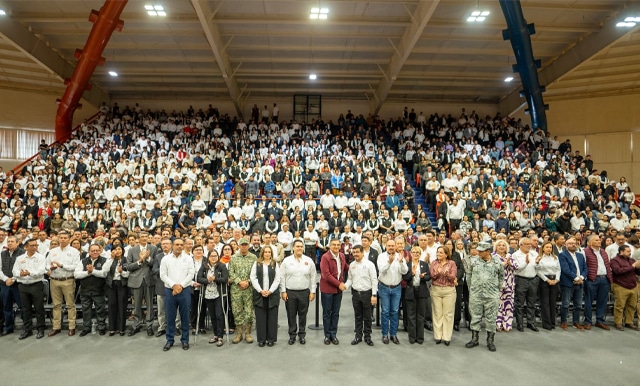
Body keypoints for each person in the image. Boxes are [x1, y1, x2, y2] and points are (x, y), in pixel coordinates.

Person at [465, 242, 503, 352]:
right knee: (475, 316)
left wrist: (497, 288)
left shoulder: (497, 262)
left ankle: (490, 341)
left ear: (488, 251)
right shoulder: (474, 261)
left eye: (481, 251)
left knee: (491, 318)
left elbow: (501, 275)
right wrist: (471, 288)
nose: (478, 252)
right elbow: (469, 275)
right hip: (476, 294)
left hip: (491, 295)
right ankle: (474, 339)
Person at [160, 238, 194, 351]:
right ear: (172, 246)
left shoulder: (188, 259)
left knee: (185, 317)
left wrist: (181, 286)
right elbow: (163, 275)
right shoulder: (165, 259)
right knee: (170, 317)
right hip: (170, 291)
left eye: (181, 245)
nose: (179, 246)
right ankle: (169, 340)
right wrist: (174, 285)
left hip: (184, 291)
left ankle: (185, 340)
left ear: (183, 246)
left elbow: (191, 274)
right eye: (177, 244)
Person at [280, 239, 316, 345]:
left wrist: (313, 291)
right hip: (290, 292)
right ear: (293, 248)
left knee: (303, 315)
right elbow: (282, 276)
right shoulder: (286, 261)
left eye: (301, 246)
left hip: (304, 292)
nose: (299, 248)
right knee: (291, 315)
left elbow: (313, 277)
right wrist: (283, 291)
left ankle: (302, 335)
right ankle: (292, 335)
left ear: (303, 248)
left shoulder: (309, 261)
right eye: (297, 246)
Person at [46, 230, 81, 336]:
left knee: (70, 305)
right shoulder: (52, 251)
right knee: (56, 305)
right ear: (58, 238)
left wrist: (62, 265)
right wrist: (50, 268)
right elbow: (46, 265)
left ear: (69, 239)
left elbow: (76, 266)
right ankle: (56, 327)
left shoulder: (74, 252)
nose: (63, 239)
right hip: (54, 280)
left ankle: (72, 327)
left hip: (68, 280)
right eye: (61, 238)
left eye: (65, 238)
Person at [12, 238, 46, 339]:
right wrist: (20, 273)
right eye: (32, 245)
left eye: (36, 245)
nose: (34, 247)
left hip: (36, 285)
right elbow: (14, 271)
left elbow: (41, 271)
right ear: (26, 247)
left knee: (39, 308)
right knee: (25, 308)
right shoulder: (20, 258)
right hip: (23, 286)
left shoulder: (40, 257)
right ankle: (27, 329)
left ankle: (40, 328)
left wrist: (29, 273)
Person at [124, 232, 157, 336]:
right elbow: (128, 266)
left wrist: (147, 258)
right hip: (136, 280)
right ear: (138, 238)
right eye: (142, 237)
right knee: (136, 305)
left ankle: (149, 326)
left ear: (148, 238)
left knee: (150, 305)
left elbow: (155, 265)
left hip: (149, 279)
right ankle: (136, 325)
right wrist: (140, 261)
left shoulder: (153, 249)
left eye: (145, 237)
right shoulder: (132, 250)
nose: (144, 238)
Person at [344, 244, 377, 346]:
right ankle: (358, 336)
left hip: (367, 294)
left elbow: (374, 280)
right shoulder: (352, 265)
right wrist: (344, 286)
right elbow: (350, 279)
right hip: (356, 294)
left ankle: (368, 337)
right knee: (358, 316)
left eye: (358, 252)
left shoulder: (369, 264)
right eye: (354, 252)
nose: (355, 254)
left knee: (367, 317)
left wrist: (374, 295)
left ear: (362, 252)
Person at [74, 243, 109, 336]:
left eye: (97, 250)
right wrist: (88, 272)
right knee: (86, 310)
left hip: (99, 289)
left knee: (100, 310)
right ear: (89, 252)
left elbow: (104, 274)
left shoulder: (105, 260)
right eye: (93, 251)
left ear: (100, 251)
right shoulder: (83, 261)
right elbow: (76, 275)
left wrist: (92, 271)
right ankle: (86, 328)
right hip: (85, 290)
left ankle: (101, 327)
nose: (95, 252)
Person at [377, 239, 407, 344]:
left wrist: (402, 261)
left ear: (395, 246)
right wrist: (389, 262)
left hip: (396, 288)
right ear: (385, 246)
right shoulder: (381, 257)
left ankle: (393, 334)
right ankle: (385, 334)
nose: (390, 247)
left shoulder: (400, 256)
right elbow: (382, 270)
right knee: (385, 311)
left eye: (392, 245)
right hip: (384, 287)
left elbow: (405, 271)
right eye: (388, 245)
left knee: (395, 311)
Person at [250, 246, 281, 347]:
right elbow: (253, 277)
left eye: (269, 252)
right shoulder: (257, 263)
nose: (267, 254)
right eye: (265, 252)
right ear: (262, 253)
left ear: (271, 253)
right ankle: (261, 339)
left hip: (272, 295)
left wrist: (270, 291)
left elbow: (277, 279)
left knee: (272, 317)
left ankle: (271, 339)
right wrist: (260, 290)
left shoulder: (275, 264)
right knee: (260, 317)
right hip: (260, 295)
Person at [228, 237, 257, 344]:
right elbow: (231, 272)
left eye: (246, 245)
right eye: (242, 245)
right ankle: (239, 333)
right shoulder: (233, 258)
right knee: (237, 311)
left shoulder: (253, 257)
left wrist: (248, 282)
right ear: (239, 246)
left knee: (249, 311)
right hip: (236, 289)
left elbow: (255, 272)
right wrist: (239, 282)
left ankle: (248, 333)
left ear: (248, 246)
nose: (244, 246)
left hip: (249, 289)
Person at [320, 238, 348, 345]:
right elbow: (326, 275)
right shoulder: (325, 257)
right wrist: (339, 284)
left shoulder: (341, 256)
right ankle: (327, 336)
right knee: (327, 313)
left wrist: (356, 268)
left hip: (338, 290)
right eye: (334, 245)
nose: (336, 247)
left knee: (335, 313)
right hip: (327, 290)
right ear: (330, 246)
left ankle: (333, 334)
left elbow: (346, 267)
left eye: (338, 245)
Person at [197, 249, 228, 346]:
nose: (213, 258)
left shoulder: (222, 266)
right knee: (213, 316)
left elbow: (225, 279)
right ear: (208, 257)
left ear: (218, 257)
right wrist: (207, 280)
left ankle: (220, 336)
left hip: (218, 294)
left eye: (215, 256)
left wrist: (215, 279)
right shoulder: (204, 266)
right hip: (208, 294)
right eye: (211, 256)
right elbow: (198, 278)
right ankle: (215, 334)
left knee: (219, 315)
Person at [583, 234, 613, 330]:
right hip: (592, 279)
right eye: (596, 240)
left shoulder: (603, 252)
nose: (599, 241)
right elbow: (583, 266)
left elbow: (607, 265)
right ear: (590, 242)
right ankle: (588, 321)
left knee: (603, 301)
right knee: (589, 301)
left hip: (604, 279)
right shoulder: (585, 252)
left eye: (599, 240)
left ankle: (600, 321)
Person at [558, 236, 588, 330]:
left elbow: (585, 269)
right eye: (570, 243)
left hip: (580, 283)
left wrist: (581, 277)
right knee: (565, 304)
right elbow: (565, 269)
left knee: (578, 304)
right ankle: (563, 322)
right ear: (565, 245)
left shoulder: (580, 255)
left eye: (574, 243)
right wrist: (575, 278)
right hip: (568, 283)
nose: (573, 245)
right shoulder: (563, 255)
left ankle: (576, 322)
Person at [430, 245, 457, 345]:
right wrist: (438, 273)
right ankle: (437, 336)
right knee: (437, 313)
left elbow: (453, 277)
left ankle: (446, 337)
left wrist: (446, 274)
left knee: (448, 314)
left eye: (441, 252)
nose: (438, 254)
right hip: (436, 290)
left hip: (449, 290)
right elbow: (432, 276)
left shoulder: (452, 263)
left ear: (446, 254)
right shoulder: (434, 263)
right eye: (438, 252)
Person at [402, 246, 430, 344]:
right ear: (410, 253)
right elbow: (404, 277)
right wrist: (412, 274)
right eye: (413, 252)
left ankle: (420, 338)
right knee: (411, 315)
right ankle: (412, 337)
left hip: (421, 291)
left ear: (420, 254)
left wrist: (423, 277)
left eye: (417, 252)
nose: (415, 254)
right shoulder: (407, 264)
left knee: (421, 315)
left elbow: (428, 276)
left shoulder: (424, 264)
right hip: (410, 291)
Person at [609, 245, 640, 330]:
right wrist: (632, 266)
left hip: (633, 285)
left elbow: (637, 272)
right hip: (620, 285)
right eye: (628, 251)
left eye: (630, 251)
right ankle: (618, 322)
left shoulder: (632, 260)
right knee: (620, 306)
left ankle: (629, 322)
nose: (630, 253)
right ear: (621, 252)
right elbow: (618, 271)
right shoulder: (614, 261)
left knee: (632, 305)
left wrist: (638, 267)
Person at [512, 237, 539, 332]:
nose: (529, 245)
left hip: (533, 279)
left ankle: (531, 323)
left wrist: (537, 263)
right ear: (521, 245)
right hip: (521, 279)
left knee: (531, 303)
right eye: (527, 244)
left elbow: (538, 267)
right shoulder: (515, 255)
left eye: (530, 244)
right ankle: (520, 324)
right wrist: (526, 262)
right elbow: (516, 269)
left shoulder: (534, 253)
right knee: (520, 303)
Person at [0, 236, 25, 336]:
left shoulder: (22, 253)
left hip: (18, 284)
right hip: (5, 284)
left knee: (22, 306)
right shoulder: (2, 253)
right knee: (6, 307)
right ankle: (8, 327)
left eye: (12, 241)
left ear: (17, 243)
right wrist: (6, 279)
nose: (10, 243)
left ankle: (26, 327)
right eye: (8, 241)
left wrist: (13, 279)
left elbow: (23, 269)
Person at [536, 241, 561, 330]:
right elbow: (538, 271)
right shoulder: (540, 258)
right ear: (543, 248)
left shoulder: (555, 257)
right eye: (547, 247)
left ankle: (552, 322)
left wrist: (557, 279)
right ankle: (547, 323)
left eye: (550, 247)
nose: (549, 249)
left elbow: (558, 269)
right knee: (545, 303)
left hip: (554, 279)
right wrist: (547, 280)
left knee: (552, 302)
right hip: (544, 280)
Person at [494, 239, 518, 332]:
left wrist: (510, 263)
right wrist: (503, 265)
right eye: (499, 245)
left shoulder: (510, 256)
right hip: (497, 283)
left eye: (503, 245)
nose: (501, 247)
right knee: (498, 304)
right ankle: (498, 324)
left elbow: (516, 267)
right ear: (496, 247)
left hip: (509, 283)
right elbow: (492, 269)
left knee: (508, 304)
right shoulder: (493, 256)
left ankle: (507, 324)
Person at [105, 244, 129, 336]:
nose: (117, 251)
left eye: (119, 249)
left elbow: (128, 274)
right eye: (115, 249)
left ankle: (121, 328)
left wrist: (121, 272)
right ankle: (112, 328)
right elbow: (105, 270)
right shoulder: (110, 259)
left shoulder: (126, 260)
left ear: (122, 251)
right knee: (111, 306)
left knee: (122, 306)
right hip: (111, 284)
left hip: (122, 284)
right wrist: (111, 258)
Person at [152, 238, 172, 337]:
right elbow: (154, 270)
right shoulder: (157, 257)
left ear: (171, 245)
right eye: (163, 244)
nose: (165, 246)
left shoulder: (175, 256)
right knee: (161, 310)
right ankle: (162, 327)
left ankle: (175, 327)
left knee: (174, 310)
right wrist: (164, 267)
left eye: (167, 244)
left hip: (174, 286)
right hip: (161, 285)